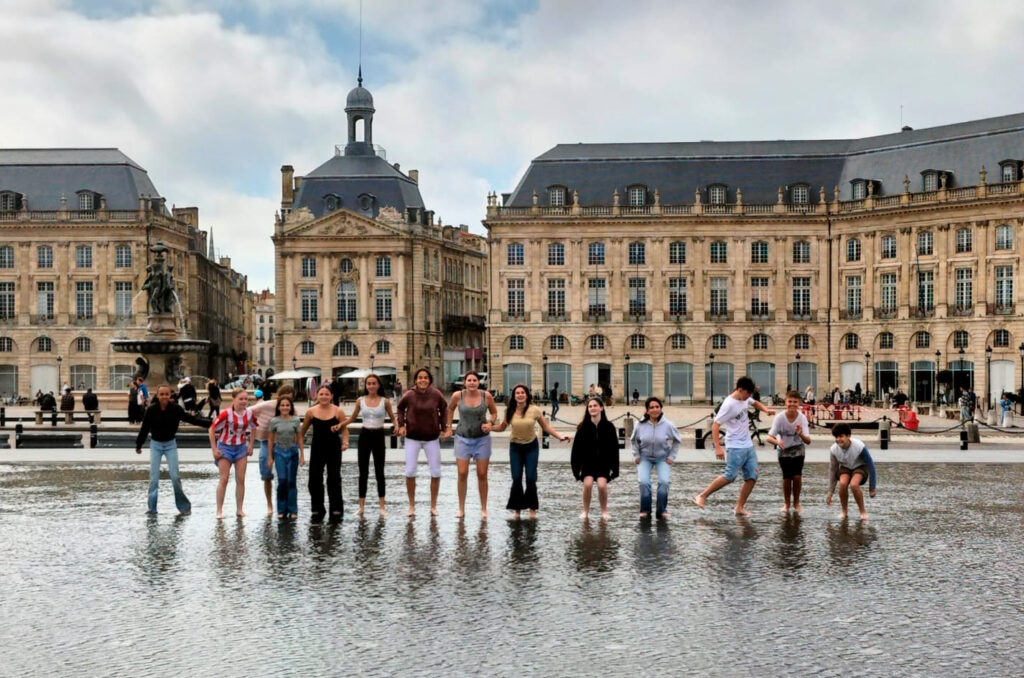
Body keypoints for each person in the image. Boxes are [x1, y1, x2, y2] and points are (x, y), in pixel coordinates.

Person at [694, 376, 776, 516]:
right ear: (740, 389)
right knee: (730, 476)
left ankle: (739, 507)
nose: (749, 396)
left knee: (752, 477)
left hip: (748, 446)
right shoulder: (728, 405)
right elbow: (715, 425)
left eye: (750, 393)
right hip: (734, 445)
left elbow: (755, 402)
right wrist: (718, 447)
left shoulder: (744, 398)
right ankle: (702, 496)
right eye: (747, 393)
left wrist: (766, 409)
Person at [491, 384, 570, 519]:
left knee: (531, 478)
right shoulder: (509, 411)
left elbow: (546, 427)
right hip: (515, 447)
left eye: (522, 392)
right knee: (516, 478)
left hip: (531, 447)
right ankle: (517, 510)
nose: (520, 395)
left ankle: (532, 509)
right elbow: (502, 427)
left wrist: (559, 436)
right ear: (514, 396)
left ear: (527, 395)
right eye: (517, 393)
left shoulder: (535, 410)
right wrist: (490, 428)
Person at [135, 384, 208, 515]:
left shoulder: (176, 409)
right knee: (154, 478)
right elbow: (144, 428)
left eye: (166, 394)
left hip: (170, 445)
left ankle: (184, 507)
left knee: (175, 477)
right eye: (161, 394)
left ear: (170, 396)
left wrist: (211, 423)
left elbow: (192, 420)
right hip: (156, 445)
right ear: (157, 396)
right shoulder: (151, 410)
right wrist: (139, 445)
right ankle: (152, 509)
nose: (164, 396)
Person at [340, 374, 398, 517]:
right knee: (363, 472)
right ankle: (361, 507)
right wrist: (341, 424)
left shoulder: (385, 401)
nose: (371, 386)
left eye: (374, 383)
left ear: (378, 385)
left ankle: (382, 507)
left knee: (380, 472)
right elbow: (353, 417)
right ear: (366, 386)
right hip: (364, 436)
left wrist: (396, 425)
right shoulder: (361, 400)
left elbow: (392, 417)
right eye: (369, 384)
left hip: (378, 436)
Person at [445, 371, 498, 519]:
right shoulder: (458, 396)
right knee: (462, 473)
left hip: (482, 438)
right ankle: (461, 508)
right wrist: (449, 427)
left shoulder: (486, 396)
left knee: (482, 474)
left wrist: (490, 423)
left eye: (475, 380)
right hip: (463, 437)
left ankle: (484, 508)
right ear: (465, 382)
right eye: (469, 380)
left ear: (478, 382)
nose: (472, 383)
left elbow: (494, 413)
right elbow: (450, 409)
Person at [396, 368, 448, 517]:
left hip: (431, 438)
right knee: (410, 471)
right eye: (420, 378)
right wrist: (402, 424)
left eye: (425, 378)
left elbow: (444, 409)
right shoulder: (410, 395)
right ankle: (412, 506)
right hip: (412, 438)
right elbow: (400, 408)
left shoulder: (436, 394)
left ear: (430, 380)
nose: (423, 380)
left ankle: (433, 506)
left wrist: (444, 427)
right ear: (415, 380)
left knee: (436, 472)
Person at [301, 385, 350, 521]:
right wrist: (297, 446)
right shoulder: (311, 412)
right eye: (321, 394)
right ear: (317, 395)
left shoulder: (338, 411)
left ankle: (336, 508)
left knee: (334, 478)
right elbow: (302, 431)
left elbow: (344, 429)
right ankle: (317, 508)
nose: (324, 397)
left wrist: (345, 442)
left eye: (326, 394)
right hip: (317, 447)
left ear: (331, 396)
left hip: (333, 448)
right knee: (315, 479)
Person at [208, 387, 257, 519]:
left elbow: (254, 427)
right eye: (241, 399)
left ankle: (239, 509)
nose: (244, 401)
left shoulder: (249, 413)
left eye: (246, 399)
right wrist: (214, 449)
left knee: (241, 480)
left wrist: (251, 445)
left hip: (241, 448)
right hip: (226, 448)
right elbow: (211, 429)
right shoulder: (226, 414)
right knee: (224, 479)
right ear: (234, 399)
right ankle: (219, 510)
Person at [248, 384, 296, 516]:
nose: (287, 403)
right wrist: (255, 425)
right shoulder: (267, 405)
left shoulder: (292, 409)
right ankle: (269, 505)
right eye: (285, 399)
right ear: (279, 397)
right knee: (266, 474)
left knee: (285, 476)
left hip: (284, 444)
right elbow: (248, 411)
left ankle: (284, 504)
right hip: (265, 442)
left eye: (290, 400)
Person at [630, 396, 681, 519]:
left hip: (662, 458)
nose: (655, 409)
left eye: (657, 407)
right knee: (644, 482)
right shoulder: (639, 424)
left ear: (661, 409)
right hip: (645, 458)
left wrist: (671, 457)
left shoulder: (668, 425)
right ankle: (645, 510)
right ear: (647, 411)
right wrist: (636, 455)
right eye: (651, 407)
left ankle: (662, 510)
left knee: (664, 482)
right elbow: (633, 440)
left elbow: (677, 441)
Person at [571, 396, 620, 520]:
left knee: (602, 485)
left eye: (595, 406)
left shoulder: (609, 427)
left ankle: (604, 511)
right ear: (588, 409)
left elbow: (614, 449)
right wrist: (576, 470)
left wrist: (615, 469)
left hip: (603, 464)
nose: (592, 408)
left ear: (601, 408)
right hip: (587, 463)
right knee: (587, 484)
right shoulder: (582, 428)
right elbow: (575, 451)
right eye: (590, 406)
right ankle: (585, 511)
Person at [766, 390, 812, 513]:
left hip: (798, 448)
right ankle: (787, 504)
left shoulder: (802, 418)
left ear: (799, 403)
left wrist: (800, 433)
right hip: (783, 449)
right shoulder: (780, 418)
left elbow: (808, 441)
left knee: (797, 476)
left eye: (795, 402)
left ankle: (796, 503)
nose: (792, 404)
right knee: (787, 478)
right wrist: (777, 442)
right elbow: (769, 437)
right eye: (790, 401)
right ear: (786, 402)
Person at [827, 422, 878, 520]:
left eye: (841, 436)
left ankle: (863, 512)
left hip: (860, 467)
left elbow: (871, 466)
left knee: (854, 484)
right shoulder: (834, 449)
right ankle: (844, 511)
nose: (838, 440)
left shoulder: (859, 446)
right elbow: (833, 470)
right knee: (842, 483)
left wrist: (872, 488)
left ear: (848, 436)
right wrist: (830, 492)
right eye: (836, 437)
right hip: (845, 467)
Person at [267, 395, 305, 520]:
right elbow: (271, 440)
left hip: (293, 452)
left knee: (291, 481)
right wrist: (270, 457)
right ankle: (282, 509)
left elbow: (299, 438)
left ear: (291, 407)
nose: (285, 407)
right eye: (282, 405)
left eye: (287, 405)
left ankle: (293, 509)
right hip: (279, 452)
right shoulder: (274, 421)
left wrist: (302, 455)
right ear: (279, 407)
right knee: (282, 480)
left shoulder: (295, 420)